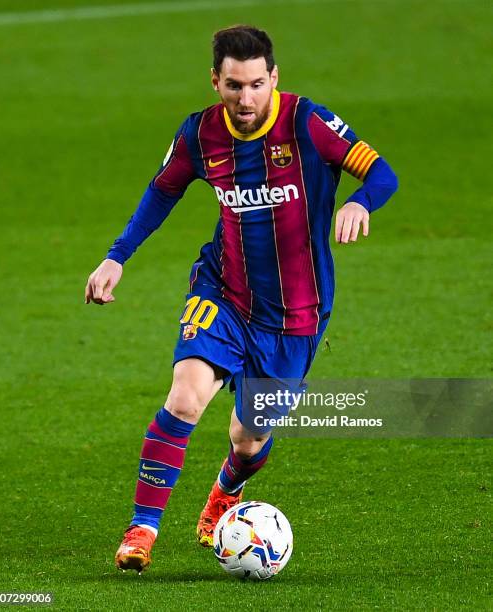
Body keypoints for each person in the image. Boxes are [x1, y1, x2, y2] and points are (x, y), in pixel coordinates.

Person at [84, 25, 398, 574]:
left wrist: (361, 203)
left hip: (297, 314)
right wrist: (117, 256)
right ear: (215, 81)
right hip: (223, 292)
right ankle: (142, 529)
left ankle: (226, 490)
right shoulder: (200, 134)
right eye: (233, 86)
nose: (246, 98)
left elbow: (381, 172)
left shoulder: (308, 122)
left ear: (273, 77)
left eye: (256, 84)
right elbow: (163, 191)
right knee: (184, 398)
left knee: (247, 436)